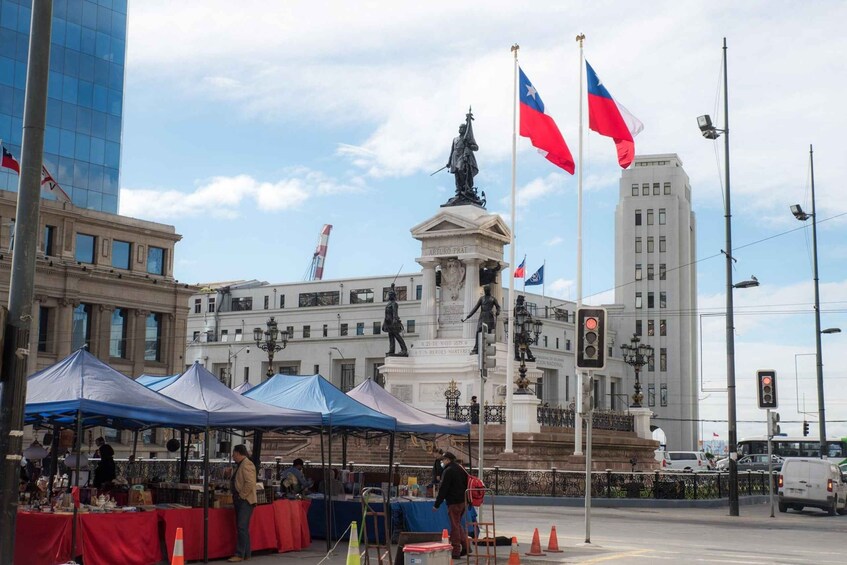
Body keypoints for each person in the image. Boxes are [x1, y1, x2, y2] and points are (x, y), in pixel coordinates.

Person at [432, 452, 469, 559]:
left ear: (448, 460)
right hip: (463, 501)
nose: (442, 462)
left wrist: (436, 504)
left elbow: (443, 489)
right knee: (457, 524)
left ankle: (456, 551)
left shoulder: (448, 471)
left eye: (443, 460)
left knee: (454, 526)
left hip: (454, 502)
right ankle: (466, 547)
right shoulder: (461, 468)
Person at [229, 444, 257, 563]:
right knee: (243, 528)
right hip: (241, 499)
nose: (233, 456)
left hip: (245, 500)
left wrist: (241, 496)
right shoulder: (241, 464)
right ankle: (246, 553)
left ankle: (240, 554)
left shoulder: (247, 464)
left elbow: (250, 483)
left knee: (241, 527)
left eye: (234, 454)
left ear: (239, 453)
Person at [463, 285, 501, 354]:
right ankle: (476, 348)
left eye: (487, 290)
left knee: (489, 333)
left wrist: (498, 312)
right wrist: (468, 316)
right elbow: (475, 308)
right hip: (482, 317)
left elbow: (498, 307)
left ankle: (488, 348)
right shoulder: (481, 298)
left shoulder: (493, 299)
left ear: (489, 291)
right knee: (478, 331)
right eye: (485, 290)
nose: (486, 292)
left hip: (490, 316)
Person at [447, 120, 479, 197]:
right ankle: (459, 190)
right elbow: (452, 151)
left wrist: (469, 146)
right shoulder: (455, 139)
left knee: (461, 169)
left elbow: (476, 147)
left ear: (465, 129)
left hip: (463, 155)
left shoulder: (467, 138)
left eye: (462, 128)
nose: (460, 129)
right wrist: (449, 162)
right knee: (456, 174)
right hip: (455, 157)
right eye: (460, 128)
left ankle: (466, 187)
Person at [383, 285, 408, 357]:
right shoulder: (389, 303)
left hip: (393, 323)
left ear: (393, 296)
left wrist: (394, 320)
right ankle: (391, 350)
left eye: (391, 295)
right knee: (391, 337)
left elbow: (395, 313)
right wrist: (392, 287)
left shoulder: (394, 304)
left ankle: (404, 350)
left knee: (397, 336)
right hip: (388, 323)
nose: (389, 296)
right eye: (389, 295)